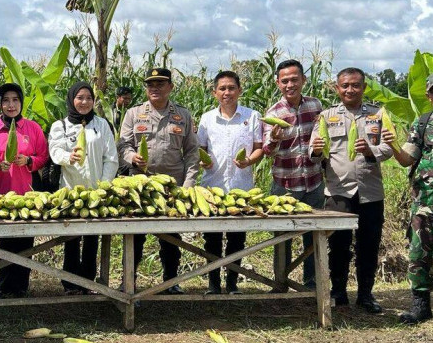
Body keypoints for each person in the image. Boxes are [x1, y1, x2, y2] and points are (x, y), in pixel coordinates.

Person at [310, 67, 392, 313]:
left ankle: (366, 295)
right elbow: (314, 154)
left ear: (364, 87)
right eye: (345, 85)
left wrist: (371, 151)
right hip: (338, 191)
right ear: (338, 88)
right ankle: (338, 292)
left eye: (355, 85)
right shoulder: (326, 116)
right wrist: (314, 149)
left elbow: (389, 148)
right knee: (338, 246)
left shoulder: (377, 115)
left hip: (370, 191)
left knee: (369, 244)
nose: (350, 90)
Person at [118, 67, 200, 294]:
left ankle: (170, 281)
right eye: (150, 84)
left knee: (171, 237)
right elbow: (123, 145)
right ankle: (129, 282)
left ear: (170, 87)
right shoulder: (134, 114)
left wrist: (188, 186)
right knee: (135, 238)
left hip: (172, 187)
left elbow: (192, 152)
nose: (154, 88)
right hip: (140, 186)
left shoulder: (182, 115)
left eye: (160, 84)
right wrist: (132, 157)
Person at [0, 83, 48, 298]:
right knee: (6, 241)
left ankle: (21, 287)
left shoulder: (32, 128)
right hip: (1, 194)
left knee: (26, 241)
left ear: (21, 103)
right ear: (0, 104)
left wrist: (29, 160)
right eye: (6, 100)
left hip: (27, 194)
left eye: (15, 100)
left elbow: (44, 157)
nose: (11, 105)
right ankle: (5, 286)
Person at [197, 71, 263, 295]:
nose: (227, 92)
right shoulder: (206, 118)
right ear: (215, 92)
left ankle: (233, 284)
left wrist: (249, 161)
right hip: (212, 186)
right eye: (222, 88)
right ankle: (213, 284)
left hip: (240, 187)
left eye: (231, 88)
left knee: (237, 238)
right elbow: (200, 148)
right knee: (212, 240)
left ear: (239, 91)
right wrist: (202, 161)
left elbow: (259, 148)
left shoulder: (252, 116)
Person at [49, 82, 118, 294]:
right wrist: (68, 157)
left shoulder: (102, 124)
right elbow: (55, 152)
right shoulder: (60, 125)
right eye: (80, 97)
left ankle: (87, 281)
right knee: (71, 238)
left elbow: (111, 158)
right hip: (70, 190)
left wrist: (102, 187)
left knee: (91, 238)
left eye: (89, 98)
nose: (85, 102)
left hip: (96, 190)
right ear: (71, 99)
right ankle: (70, 283)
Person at [262, 59, 324, 290]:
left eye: (294, 79)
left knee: (312, 237)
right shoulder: (273, 112)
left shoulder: (316, 106)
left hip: (314, 181)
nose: (290, 84)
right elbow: (268, 151)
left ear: (303, 80)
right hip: (284, 185)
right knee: (282, 237)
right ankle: (281, 282)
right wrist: (275, 139)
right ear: (278, 83)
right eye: (285, 81)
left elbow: (322, 140)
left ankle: (311, 283)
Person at [382, 74, 433, 324]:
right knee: (419, 251)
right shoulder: (422, 123)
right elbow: (406, 160)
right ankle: (421, 304)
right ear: (428, 95)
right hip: (425, 202)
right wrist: (392, 145)